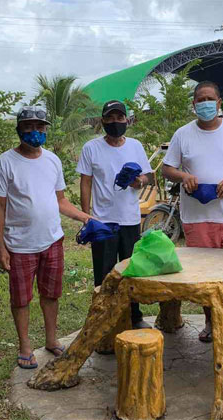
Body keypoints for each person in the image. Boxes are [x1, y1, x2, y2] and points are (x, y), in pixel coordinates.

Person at [0, 105, 92, 369]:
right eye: (28, 127)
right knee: (21, 299)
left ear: (46, 129)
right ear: (19, 130)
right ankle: (24, 345)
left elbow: (60, 200)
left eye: (40, 127)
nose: (35, 132)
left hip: (52, 240)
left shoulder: (53, 160)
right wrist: (0, 248)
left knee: (51, 294)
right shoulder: (5, 162)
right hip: (19, 245)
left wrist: (83, 217)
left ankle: (51, 339)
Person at [161, 81, 223, 347]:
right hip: (197, 219)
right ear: (194, 105)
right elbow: (167, 168)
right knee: (206, 278)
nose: (205, 103)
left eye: (210, 99)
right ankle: (210, 323)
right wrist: (183, 176)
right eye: (200, 99)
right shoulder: (183, 134)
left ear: (218, 103)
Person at [77, 100, 154, 329]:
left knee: (131, 270)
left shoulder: (136, 146)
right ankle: (103, 320)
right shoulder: (91, 148)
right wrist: (86, 218)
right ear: (102, 121)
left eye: (119, 118)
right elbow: (85, 183)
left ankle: (134, 315)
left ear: (126, 120)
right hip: (102, 220)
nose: (115, 122)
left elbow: (148, 177)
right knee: (104, 273)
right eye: (110, 118)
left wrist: (138, 181)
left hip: (130, 218)